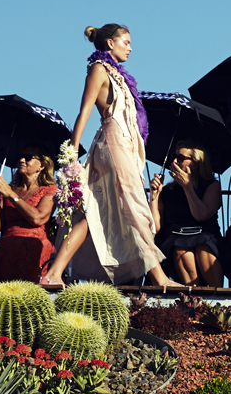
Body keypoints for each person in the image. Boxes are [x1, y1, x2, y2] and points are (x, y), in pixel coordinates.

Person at [44, 25, 178, 287]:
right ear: (110, 43)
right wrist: (72, 155)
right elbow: (84, 111)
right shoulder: (99, 69)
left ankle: (53, 273)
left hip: (124, 146)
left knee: (93, 213)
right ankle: (159, 277)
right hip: (113, 144)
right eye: (126, 42)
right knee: (136, 208)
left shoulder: (117, 74)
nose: (130, 48)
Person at [150, 145, 224, 287]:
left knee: (204, 249)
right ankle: (192, 294)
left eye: (181, 158)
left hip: (204, 234)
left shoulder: (211, 185)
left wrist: (187, 186)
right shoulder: (168, 190)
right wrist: (154, 196)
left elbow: (201, 215)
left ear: (195, 163)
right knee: (181, 250)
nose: (175, 161)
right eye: (174, 156)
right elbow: (155, 227)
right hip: (175, 236)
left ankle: (218, 293)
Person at [0, 146, 58, 282]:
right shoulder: (9, 189)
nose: (21, 160)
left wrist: (10, 195)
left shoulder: (49, 190)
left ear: (42, 166)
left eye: (28, 157)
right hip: (7, 246)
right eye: (19, 156)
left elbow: (38, 218)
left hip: (36, 244)